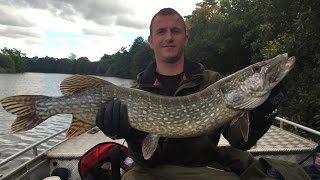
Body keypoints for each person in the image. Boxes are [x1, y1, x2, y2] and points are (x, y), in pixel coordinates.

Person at [96, 8, 310, 180]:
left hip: (205, 166)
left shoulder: (211, 81)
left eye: (176, 31)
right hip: (153, 170)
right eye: (161, 31)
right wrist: (132, 135)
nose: (169, 37)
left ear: (186, 38)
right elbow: (147, 160)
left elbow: (241, 142)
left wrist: (263, 112)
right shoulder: (137, 92)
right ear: (151, 40)